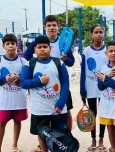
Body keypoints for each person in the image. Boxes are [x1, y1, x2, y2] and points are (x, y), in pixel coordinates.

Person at [24, 15, 75, 152]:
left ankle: (65, 139)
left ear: (58, 27)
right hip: (41, 90)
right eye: (49, 25)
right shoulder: (39, 42)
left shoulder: (64, 41)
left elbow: (71, 62)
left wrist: (65, 58)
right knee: (42, 121)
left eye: (54, 25)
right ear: (45, 27)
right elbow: (26, 58)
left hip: (60, 85)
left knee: (66, 111)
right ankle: (45, 143)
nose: (52, 28)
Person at [0, 34, 28, 152]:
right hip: (4, 100)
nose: (10, 46)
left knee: (18, 122)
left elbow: (27, 76)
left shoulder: (23, 61)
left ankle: (15, 145)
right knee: (1, 123)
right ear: (3, 46)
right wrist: (3, 80)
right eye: (8, 44)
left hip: (19, 98)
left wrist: (20, 78)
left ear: (17, 45)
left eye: (13, 44)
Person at [80, 24, 108, 152]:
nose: (98, 34)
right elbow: (83, 72)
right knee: (92, 115)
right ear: (91, 34)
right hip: (90, 89)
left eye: (101, 32)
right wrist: (82, 90)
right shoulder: (86, 51)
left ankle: (101, 140)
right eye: (96, 32)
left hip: (104, 89)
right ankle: (93, 140)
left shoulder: (107, 50)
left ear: (104, 34)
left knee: (102, 115)